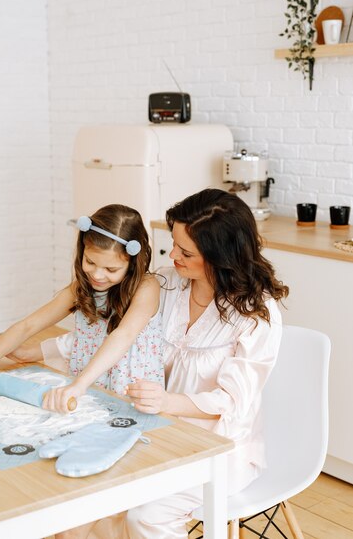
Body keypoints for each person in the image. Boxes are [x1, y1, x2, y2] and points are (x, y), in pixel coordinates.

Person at [61, 188, 289, 539]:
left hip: (217, 448)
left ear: (219, 256)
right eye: (173, 244)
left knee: (143, 515)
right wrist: (34, 351)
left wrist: (169, 402)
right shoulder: (167, 283)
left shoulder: (257, 314)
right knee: (79, 495)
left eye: (186, 251)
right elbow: (118, 335)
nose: (173, 255)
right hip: (152, 430)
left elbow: (232, 401)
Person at [0, 204, 163, 411]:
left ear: (132, 262)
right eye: (90, 262)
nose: (97, 275)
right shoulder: (82, 288)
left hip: (132, 396)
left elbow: (123, 335)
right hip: (88, 390)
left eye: (111, 269)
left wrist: (78, 385)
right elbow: (29, 325)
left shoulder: (147, 287)